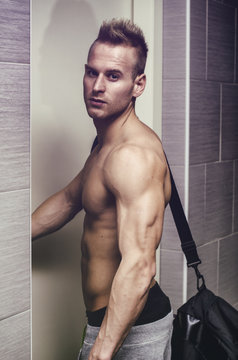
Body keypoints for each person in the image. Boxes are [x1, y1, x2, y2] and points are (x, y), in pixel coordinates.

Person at [32, 18, 173, 360]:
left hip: (132, 330)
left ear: (138, 85)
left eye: (113, 76)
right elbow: (69, 199)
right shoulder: (105, 144)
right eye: (91, 72)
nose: (97, 86)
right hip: (108, 322)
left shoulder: (132, 158)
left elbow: (140, 266)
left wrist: (101, 351)